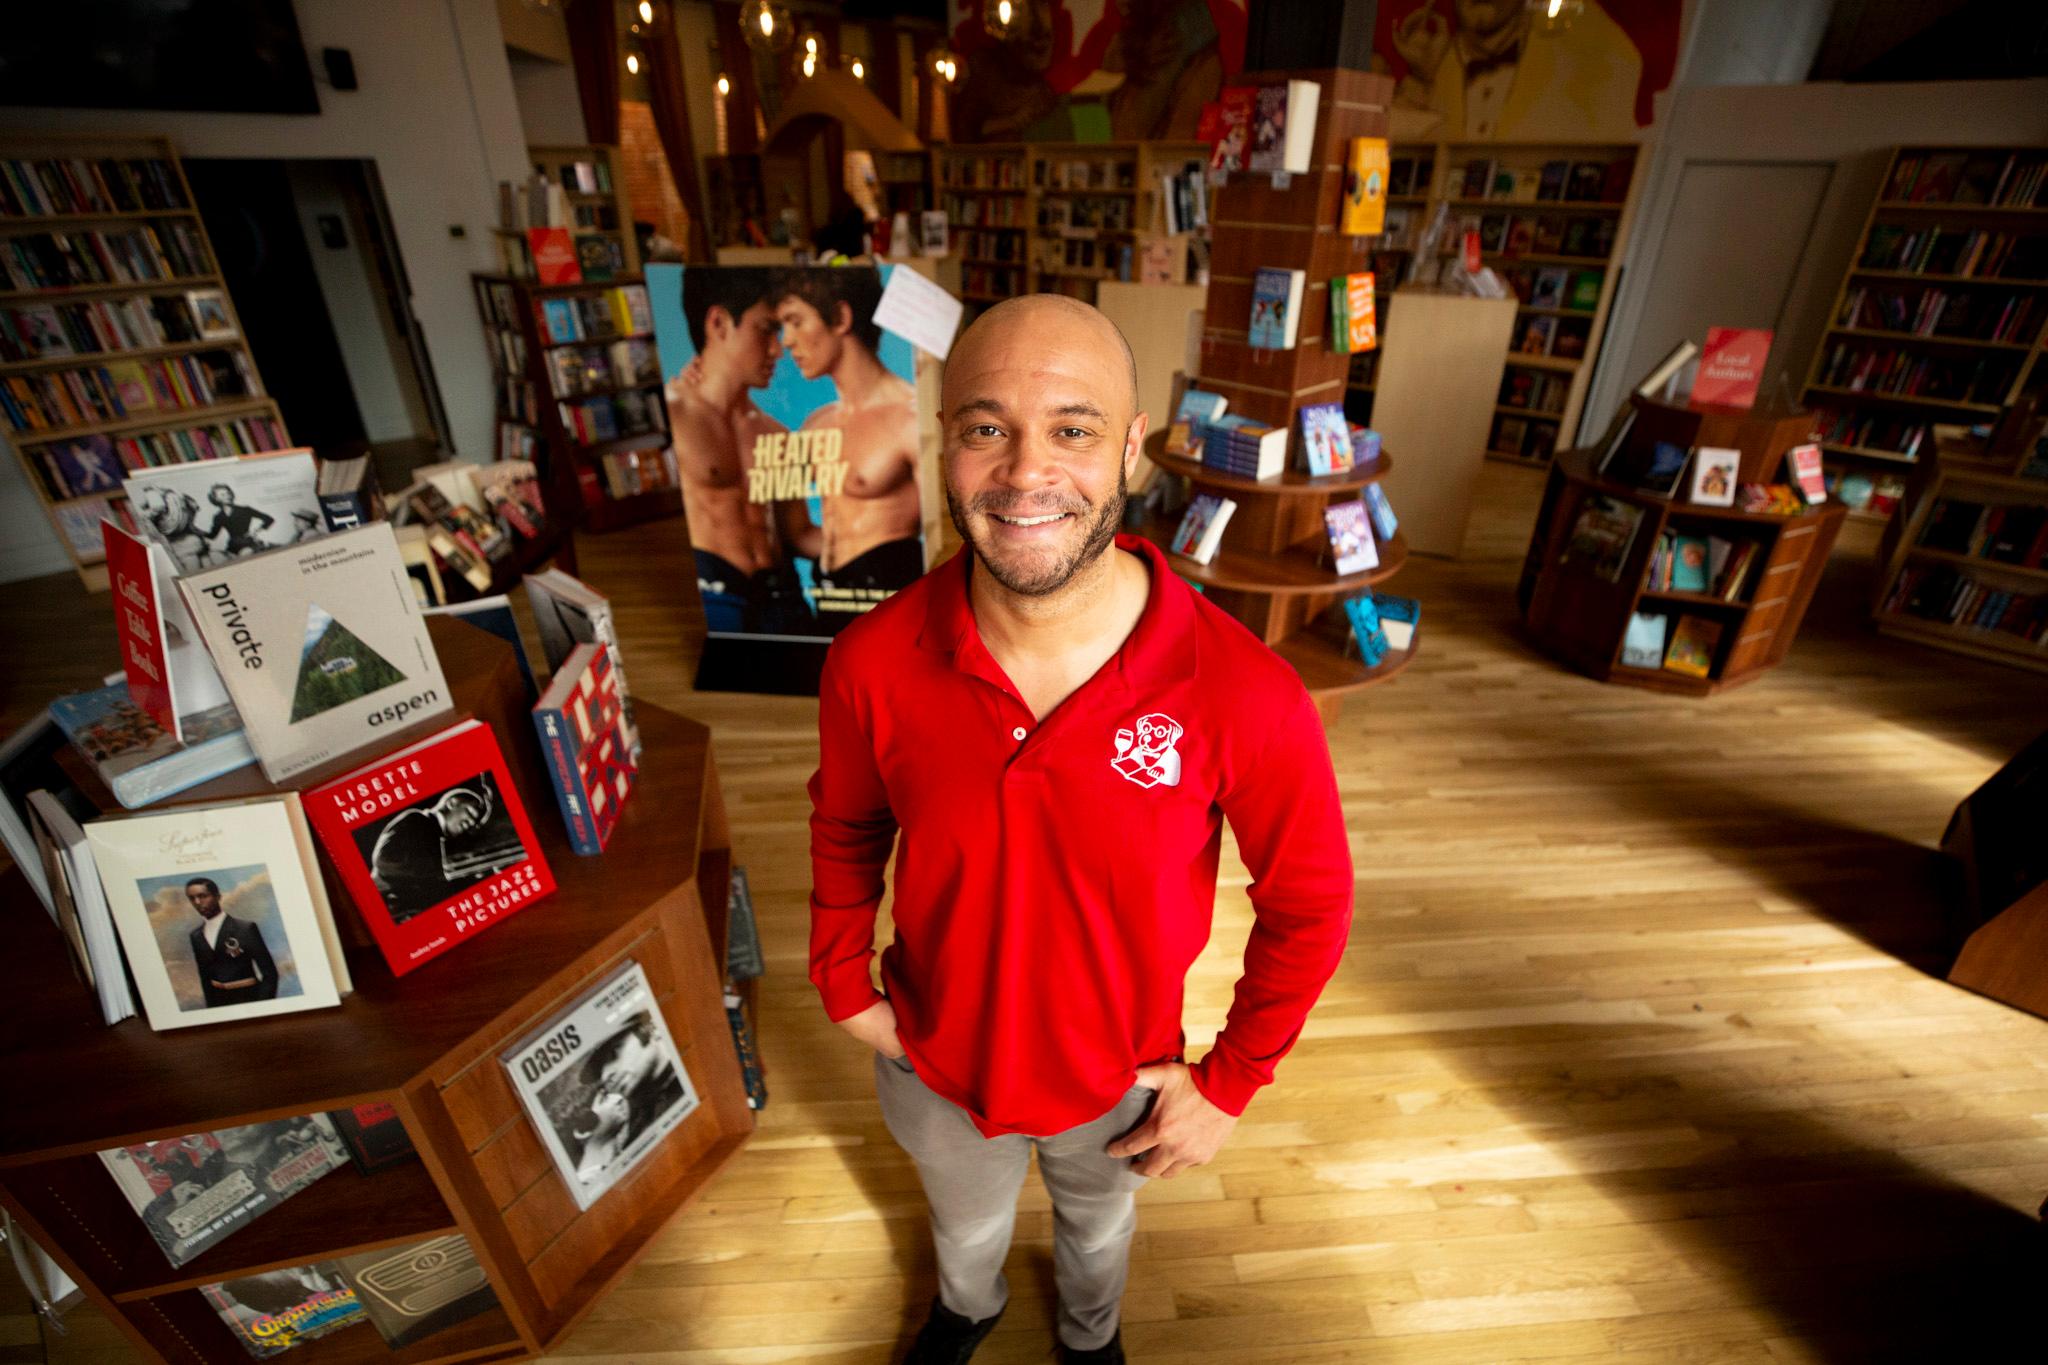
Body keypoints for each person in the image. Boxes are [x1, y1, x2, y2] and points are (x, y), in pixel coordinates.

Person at [808, 295, 1353, 1363]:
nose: (1022, 474)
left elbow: (1309, 902)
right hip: (929, 1050)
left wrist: (1233, 1079)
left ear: (1131, 450)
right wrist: (838, 971)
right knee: (962, 1231)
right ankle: (966, 1312)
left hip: (1120, 1075)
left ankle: (1088, 1336)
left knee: (1098, 1229)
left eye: (1071, 428)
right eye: (983, 428)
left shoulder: (1245, 691)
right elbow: (845, 820)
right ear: (944, 444)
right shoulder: (870, 658)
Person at [769, 269, 924, 635]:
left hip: (892, 610)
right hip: (828, 601)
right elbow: (794, 534)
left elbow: (948, 544)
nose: (786, 341)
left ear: (840, 318)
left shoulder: (910, 419)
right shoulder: (814, 425)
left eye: (794, 321)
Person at [662, 269, 818, 635]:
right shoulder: (676, 416)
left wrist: (879, 538)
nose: (779, 348)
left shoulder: (777, 434)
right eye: (766, 329)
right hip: (720, 599)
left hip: (785, 598)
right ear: (718, 323)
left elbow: (797, 535)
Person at [185, 876, 281, 1009]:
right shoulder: (196, 936)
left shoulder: (245, 928)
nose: (197, 902)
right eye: (192, 898)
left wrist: (264, 1006)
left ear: (218, 896)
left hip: (248, 997)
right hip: (218, 1002)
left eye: (203, 896)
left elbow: (270, 974)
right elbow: (205, 977)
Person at [202, 484, 275, 558]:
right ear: (216, 498)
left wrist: (256, 530)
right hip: (232, 546)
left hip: (248, 543)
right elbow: (212, 535)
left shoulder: (245, 509)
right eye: (223, 495)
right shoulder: (218, 516)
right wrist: (195, 530)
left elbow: (269, 519)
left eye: (228, 493)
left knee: (245, 554)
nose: (228, 496)